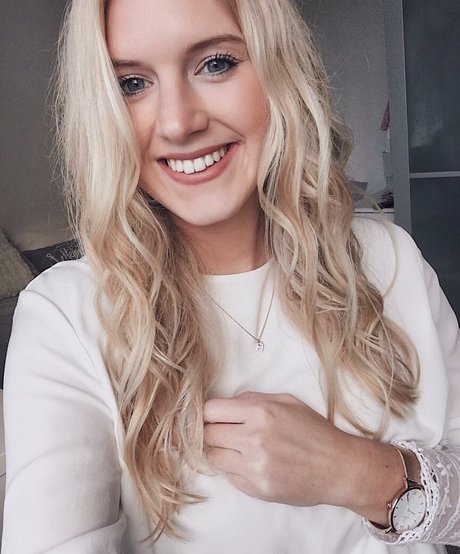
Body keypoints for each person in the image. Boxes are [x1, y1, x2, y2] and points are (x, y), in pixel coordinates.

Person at [2, 0, 460, 552]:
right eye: (131, 84)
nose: (178, 122)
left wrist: (358, 473)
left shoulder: (390, 260)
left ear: (278, 68)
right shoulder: (66, 317)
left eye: (215, 64)